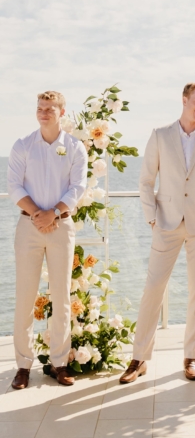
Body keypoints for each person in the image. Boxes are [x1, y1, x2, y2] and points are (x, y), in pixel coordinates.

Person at [119, 82, 195, 383]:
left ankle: (191, 356)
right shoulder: (160, 135)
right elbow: (146, 181)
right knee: (153, 288)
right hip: (166, 223)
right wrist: (152, 219)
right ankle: (139, 357)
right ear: (185, 100)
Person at [7, 91, 87, 389]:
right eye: (40, 108)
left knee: (62, 298)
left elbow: (78, 187)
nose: (43, 113)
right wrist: (38, 215)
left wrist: (52, 214)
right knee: (25, 297)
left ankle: (59, 363)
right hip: (28, 228)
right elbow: (14, 186)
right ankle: (23, 366)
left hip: (61, 227)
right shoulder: (23, 145)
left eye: (49, 109)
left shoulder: (75, 147)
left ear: (61, 112)